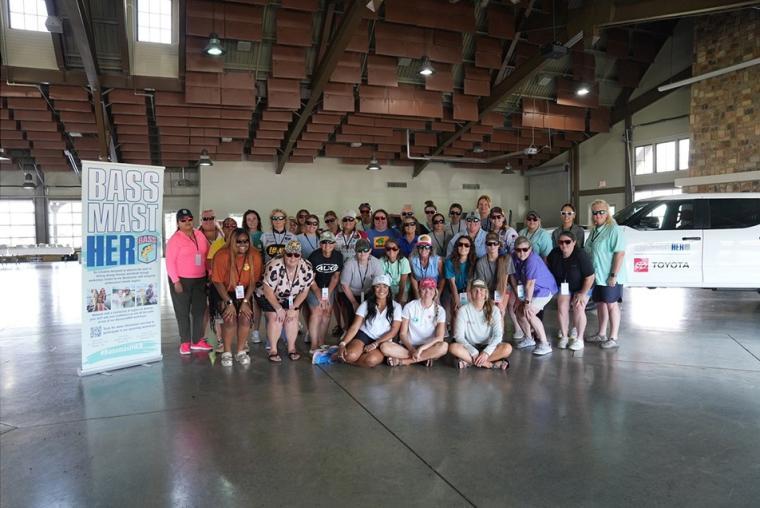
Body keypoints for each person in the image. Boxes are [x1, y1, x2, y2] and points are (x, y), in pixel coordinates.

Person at [211, 228, 263, 366]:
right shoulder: (222, 255)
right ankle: (227, 353)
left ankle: (241, 351)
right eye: (239, 241)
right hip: (224, 291)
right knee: (229, 319)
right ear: (232, 242)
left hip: (244, 291)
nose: (243, 244)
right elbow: (217, 282)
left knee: (245, 318)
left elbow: (253, 282)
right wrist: (229, 302)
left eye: (246, 241)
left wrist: (245, 301)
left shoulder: (254, 255)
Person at [258, 240, 315, 362]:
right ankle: (273, 350)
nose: (293, 258)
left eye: (296, 255)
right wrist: (278, 308)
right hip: (268, 295)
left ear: (300, 255)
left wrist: (294, 308)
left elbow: (304, 291)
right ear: (284, 254)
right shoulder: (274, 266)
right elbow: (267, 290)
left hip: (291, 297)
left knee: (292, 317)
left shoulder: (307, 267)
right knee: (276, 318)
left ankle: (291, 348)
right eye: (289, 254)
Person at [166, 209, 213, 355]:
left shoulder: (199, 235)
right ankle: (185, 342)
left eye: (189, 219)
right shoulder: (175, 240)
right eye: (183, 220)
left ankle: (197, 340)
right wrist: (176, 281)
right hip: (181, 280)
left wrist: (209, 271)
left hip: (200, 279)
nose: (187, 222)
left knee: (199, 310)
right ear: (178, 223)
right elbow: (170, 262)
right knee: (182, 311)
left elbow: (206, 255)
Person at [585, 199, 626, 349]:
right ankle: (601, 333)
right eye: (594, 212)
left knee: (611, 305)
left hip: (610, 276)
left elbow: (619, 253)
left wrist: (613, 275)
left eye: (601, 212)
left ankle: (613, 337)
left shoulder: (614, 229)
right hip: (597, 276)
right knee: (600, 304)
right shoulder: (594, 231)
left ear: (607, 213)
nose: (598, 215)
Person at [336, 274, 402, 368]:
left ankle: (351, 358)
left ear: (389, 289)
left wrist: (376, 343)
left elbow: (394, 331)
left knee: (371, 360)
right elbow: (355, 327)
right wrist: (342, 344)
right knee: (350, 355)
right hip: (365, 335)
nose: (381, 290)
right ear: (373, 289)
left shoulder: (396, 307)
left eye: (385, 286)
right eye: (378, 286)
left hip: (383, 340)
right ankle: (350, 356)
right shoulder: (366, 304)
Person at [381, 278, 448, 367]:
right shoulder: (409, 306)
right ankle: (423, 359)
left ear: (435, 291)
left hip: (428, 347)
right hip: (408, 347)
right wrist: (412, 350)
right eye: (424, 288)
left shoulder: (440, 310)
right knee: (384, 347)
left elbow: (439, 337)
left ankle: (404, 361)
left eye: (430, 288)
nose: (427, 291)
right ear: (419, 291)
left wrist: (421, 349)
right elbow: (402, 334)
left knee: (444, 347)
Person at [547, 230, 595, 350]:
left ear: (574, 242)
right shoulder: (554, 254)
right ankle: (564, 336)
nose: (564, 245)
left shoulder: (581, 255)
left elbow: (590, 277)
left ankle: (579, 339)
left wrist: (582, 293)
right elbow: (548, 269)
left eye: (567, 242)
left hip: (583, 285)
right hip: (565, 286)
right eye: (561, 242)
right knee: (562, 306)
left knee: (578, 307)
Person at [448, 279, 512, 369]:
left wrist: (486, 352)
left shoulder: (494, 310)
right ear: (470, 294)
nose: (479, 293)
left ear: (486, 293)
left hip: (487, 345)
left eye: (481, 290)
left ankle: (469, 362)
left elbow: (498, 335)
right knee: (453, 348)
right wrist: (473, 351)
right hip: (469, 346)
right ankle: (490, 364)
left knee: (507, 348)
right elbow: (459, 336)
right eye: (475, 290)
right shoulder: (463, 310)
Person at [510, 236, 558, 356]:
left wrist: (527, 303)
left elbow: (530, 284)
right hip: (531, 290)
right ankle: (528, 338)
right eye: (518, 250)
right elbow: (513, 278)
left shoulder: (532, 260)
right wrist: (518, 298)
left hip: (543, 289)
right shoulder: (513, 257)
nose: (522, 253)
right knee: (518, 311)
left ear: (530, 249)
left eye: (525, 249)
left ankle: (545, 344)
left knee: (529, 312)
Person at [307, 231, 343, 353]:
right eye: (324, 242)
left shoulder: (338, 256)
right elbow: (311, 279)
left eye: (330, 242)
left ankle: (321, 341)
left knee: (327, 312)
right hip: (313, 286)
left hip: (328, 287)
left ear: (334, 244)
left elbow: (335, 277)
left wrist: (326, 295)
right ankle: (314, 344)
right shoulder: (314, 256)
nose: (327, 245)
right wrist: (319, 295)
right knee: (317, 311)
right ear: (320, 244)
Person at [209, 217, 238, 352]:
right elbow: (210, 264)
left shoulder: (241, 243)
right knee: (219, 314)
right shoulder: (216, 245)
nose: (230, 228)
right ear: (223, 228)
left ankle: (242, 342)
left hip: (238, 285)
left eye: (233, 226)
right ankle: (221, 341)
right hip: (219, 284)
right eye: (227, 226)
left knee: (239, 314)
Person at [339, 238, 384, 321]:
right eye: (359, 251)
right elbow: (345, 286)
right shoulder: (349, 264)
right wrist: (354, 303)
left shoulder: (376, 262)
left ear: (370, 251)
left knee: (371, 315)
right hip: (352, 293)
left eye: (365, 250)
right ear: (355, 251)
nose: (362, 253)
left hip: (369, 292)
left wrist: (377, 300)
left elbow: (380, 282)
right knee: (353, 318)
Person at [475, 232, 510, 316]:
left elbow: (504, 282)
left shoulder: (506, 259)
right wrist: (489, 300)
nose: (492, 246)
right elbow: (482, 285)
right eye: (489, 244)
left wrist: (499, 301)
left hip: (502, 291)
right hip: (487, 292)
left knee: (500, 313)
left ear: (499, 245)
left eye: (495, 243)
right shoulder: (480, 263)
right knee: (488, 313)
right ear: (485, 245)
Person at [242, 210, 264, 343]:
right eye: (248, 219)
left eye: (254, 218)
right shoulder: (242, 235)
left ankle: (256, 331)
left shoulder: (264, 236)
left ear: (258, 220)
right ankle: (243, 335)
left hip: (259, 273)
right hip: (243, 273)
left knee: (258, 303)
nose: (251, 221)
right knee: (244, 302)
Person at [445, 234, 477, 325]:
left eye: (466, 245)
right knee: (455, 312)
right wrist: (457, 300)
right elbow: (452, 284)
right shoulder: (449, 261)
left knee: (470, 314)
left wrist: (468, 297)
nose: (463, 247)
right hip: (455, 290)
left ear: (470, 248)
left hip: (470, 291)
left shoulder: (474, 261)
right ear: (457, 246)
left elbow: (470, 281)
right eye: (460, 244)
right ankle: (454, 333)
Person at [409, 234, 444, 300]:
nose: (424, 249)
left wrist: (438, 295)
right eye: (421, 247)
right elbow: (413, 277)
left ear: (431, 249)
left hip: (434, 291)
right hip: (419, 290)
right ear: (417, 248)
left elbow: (442, 278)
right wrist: (417, 294)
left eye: (427, 247)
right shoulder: (412, 260)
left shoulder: (438, 260)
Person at [380, 238, 411, 305]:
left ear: (398, 250)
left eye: (394, 249)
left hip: (402, 287)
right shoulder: (381, 261)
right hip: (388, 286)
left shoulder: (404, 261)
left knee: (402, 300)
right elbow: (382, 280)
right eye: (388, 249)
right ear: (385, 250)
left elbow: (403, 283)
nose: (391, 251)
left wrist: (399, 299)